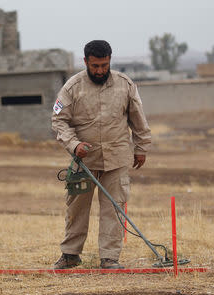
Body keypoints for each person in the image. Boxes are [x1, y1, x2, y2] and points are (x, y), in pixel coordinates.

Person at [51, 40, 151, 269]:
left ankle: (109, 258)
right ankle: (70, 254)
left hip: (116, 159)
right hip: (83, 161)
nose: (100, 71)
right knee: (76, 209)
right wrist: (74, 145)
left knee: (114, 209)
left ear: (110, 61)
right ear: (86, 61)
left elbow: (138, 119)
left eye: (104, 65)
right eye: (95, 66)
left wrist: (141, 147)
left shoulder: (125, 84)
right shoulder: (71, 87)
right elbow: (59, 121)